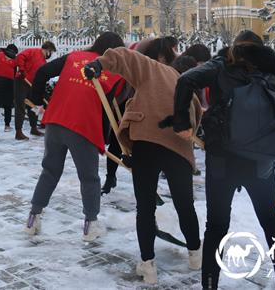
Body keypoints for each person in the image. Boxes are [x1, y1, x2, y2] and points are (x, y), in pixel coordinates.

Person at [170, 30, 275, 290]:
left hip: (223, 161)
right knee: (270, 218)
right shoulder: (270, 76)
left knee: (216, 226)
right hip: (260, 164)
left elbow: (185, 81)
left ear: (234, 48)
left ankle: (210, 283)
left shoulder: (220, 67)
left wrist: (182, 121)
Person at [83, 42, 203, 285]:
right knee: (184, 204)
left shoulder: (154, 67)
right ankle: (195, 255)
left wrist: (99, 64)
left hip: (147, 142)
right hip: (178, 148)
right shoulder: (185, 85)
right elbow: (195, 119)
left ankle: (148, 266)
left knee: (145, 208)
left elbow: (125, 56)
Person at [25, 32, 124, 241]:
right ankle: (91, 225)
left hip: (55, 121)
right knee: (89, 177)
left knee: (50, 171)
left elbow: (42, 72)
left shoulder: (74, 57)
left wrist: (37, 102)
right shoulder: (115, 73)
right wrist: (105, 136)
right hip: (83, 128)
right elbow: (110, 109)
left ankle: (33, 218)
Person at [101, 36, 180, 195]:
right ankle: (110, 177)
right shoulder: (143, 59)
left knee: (150, 147)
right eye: (173, 49)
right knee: (118, 143)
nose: (175, 52)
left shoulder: (170, 68)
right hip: (131, 102)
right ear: (162, 53)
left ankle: (150, 186)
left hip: (152, 110)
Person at [13, 41, 57, 140]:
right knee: (20, 105)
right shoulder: (32, 51)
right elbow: (20, 57)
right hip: (22, 81)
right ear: (47, 50)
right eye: (50, 52)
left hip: (32, 85)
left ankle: (33, 128)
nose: (50, 55)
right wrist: (22, 69)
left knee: (35, 106)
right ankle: (18, 132)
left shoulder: (43, 62)